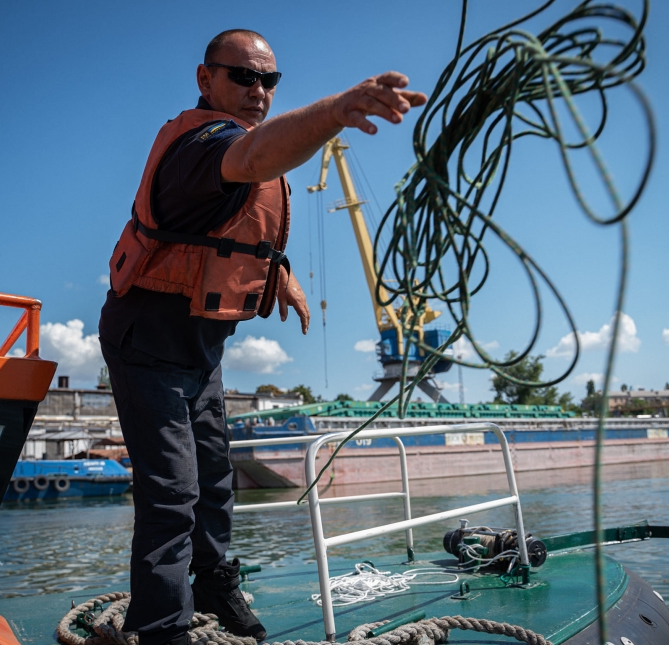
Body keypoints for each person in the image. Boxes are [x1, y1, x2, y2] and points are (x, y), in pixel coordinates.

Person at [98, 28, 426, 645]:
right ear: (206, 79)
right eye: (243, 77)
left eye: (270, 80)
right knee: (172, 493)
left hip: (201, 348)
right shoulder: (202, 143)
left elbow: (230, 229)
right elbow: (250, 161)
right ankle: (160, 630)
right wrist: (334, 112)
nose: (258, 91)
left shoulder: (239, 144)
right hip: (147, 342)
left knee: (217, 480)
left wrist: (282, 272)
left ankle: (215, 586)